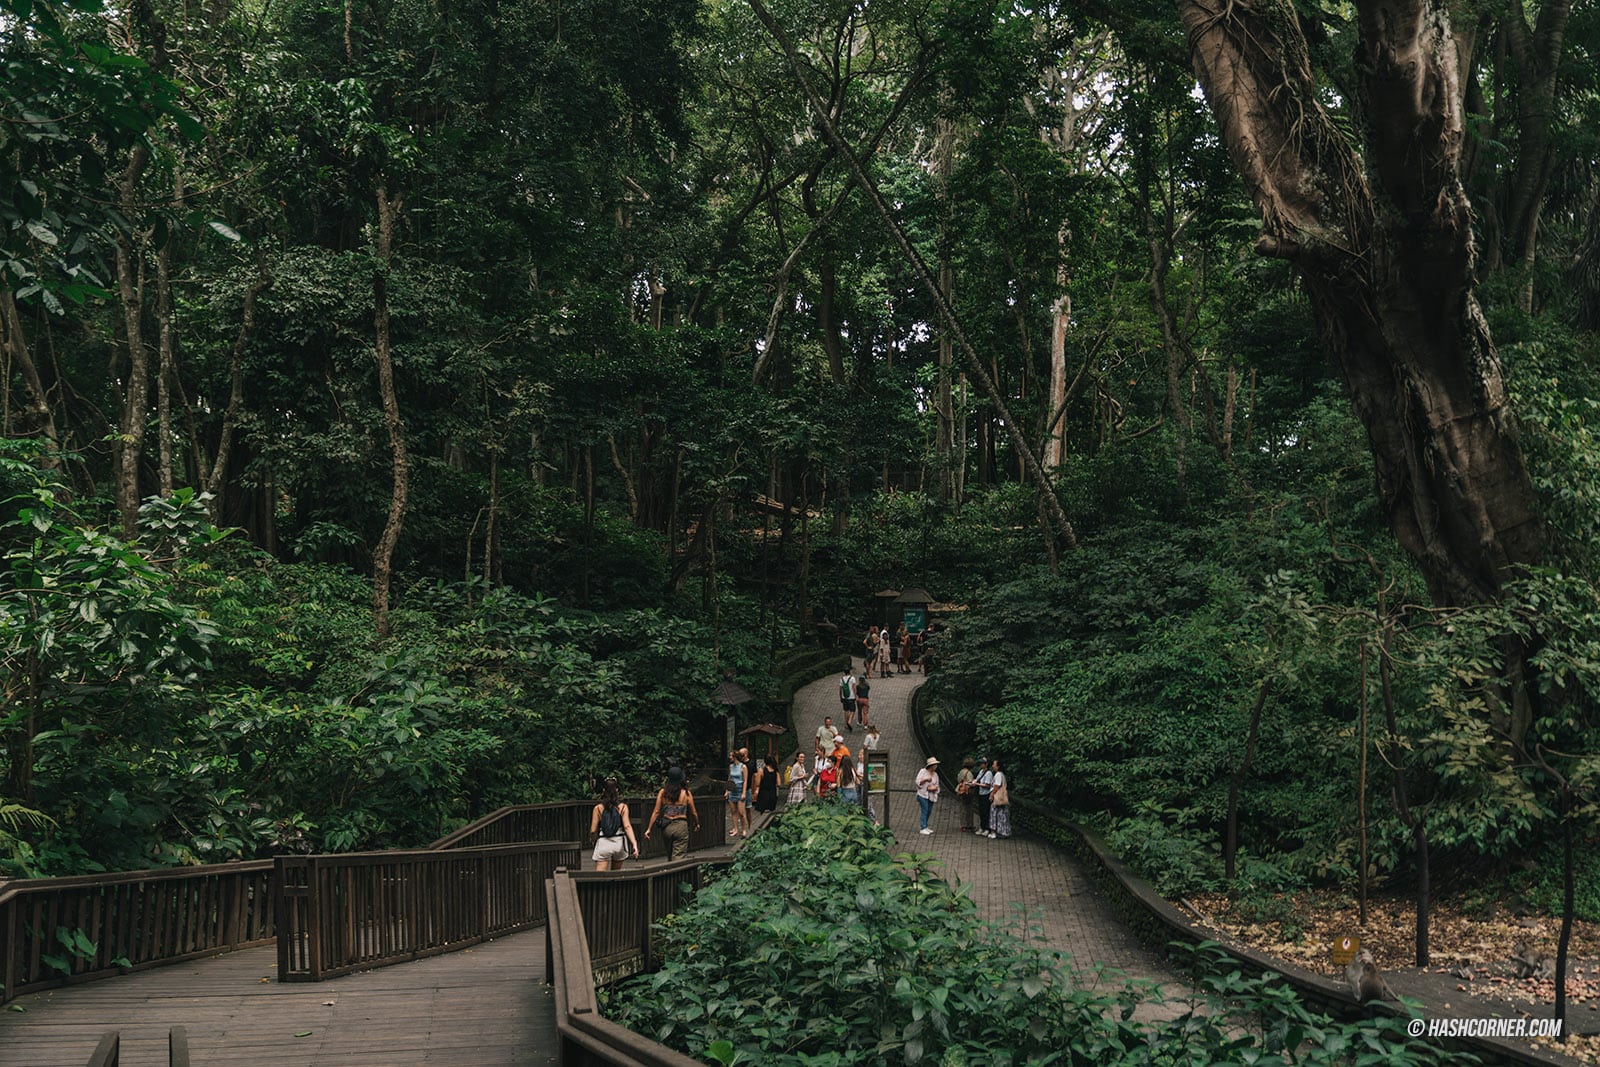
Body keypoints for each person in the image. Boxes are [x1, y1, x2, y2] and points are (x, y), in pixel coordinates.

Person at [644, 766, 700, 860]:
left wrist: (649, 829)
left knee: (670, 854)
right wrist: (697, 823)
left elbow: (656, 811)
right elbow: (693, 812)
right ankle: (677, 873)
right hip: (681, 826)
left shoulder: (663, 793)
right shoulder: (686, 793)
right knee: (679, 856)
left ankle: (669, 871)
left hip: (667, 827)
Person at [588, 777, 640, 871]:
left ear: (604, 790)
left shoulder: (598, 808)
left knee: (600, 876)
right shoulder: (623, 807)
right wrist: (634, 844)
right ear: (617, 790)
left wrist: (593, 840)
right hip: (618, 842)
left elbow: (593, 830)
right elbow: (627, 826)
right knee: (616, 874)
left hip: (604, 842)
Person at [914, 756, 940, 834]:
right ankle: (923, 827)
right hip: (922, 795)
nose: (936, 766)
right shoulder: (923, 771)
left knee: (929, 811)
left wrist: (935, 788)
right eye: (934, 765)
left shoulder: (935, 775)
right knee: (925, 810)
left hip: (931, 795)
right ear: (931, 765)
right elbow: (917, 782)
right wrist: (925, 780)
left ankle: (925, 825)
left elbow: (937, 785)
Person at [987, 757, 1011, 839]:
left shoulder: (998, 775)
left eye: (994, 764)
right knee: (1002, 815)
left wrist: (991, 795)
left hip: (997, 797)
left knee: (994, 814)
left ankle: (994, 832)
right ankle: (1003, 831)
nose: (993, 766)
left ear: (998, 766)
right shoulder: (1002, 775)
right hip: (1001, 798)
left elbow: (996, 786)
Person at [726, 749, 748, 838]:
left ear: (735, 757)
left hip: (739, 790)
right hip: (732, 790)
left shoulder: (743, 767)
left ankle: (744, 830)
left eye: (731, 756)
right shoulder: (731, 767)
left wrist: (743, 793)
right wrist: (727, 791)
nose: (730, 757)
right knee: (733, 811)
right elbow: (729, 779)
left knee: (741, 812)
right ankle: (735, 829)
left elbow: (745, 781)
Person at [955, 757, 977, 833]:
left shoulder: (961, 772)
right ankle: (968, 824)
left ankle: (963, 825)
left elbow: (958, 780)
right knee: (969, 808)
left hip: (961, 790)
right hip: (967, 792)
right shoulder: (969, 773)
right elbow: (970, 783)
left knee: (963, 807)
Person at [974, 756, 994, 836]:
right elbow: (977, 779)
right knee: (981, 811)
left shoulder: (989, 773)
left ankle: (987, 828)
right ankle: (982, 827)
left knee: (986, 811)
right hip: (981, 794)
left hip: (986, 794)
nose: (981, 765)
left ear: (986, 764)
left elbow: (987, 785)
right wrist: (972, 782)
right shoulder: (981, 771)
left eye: (982, 763)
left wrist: (977, 784)